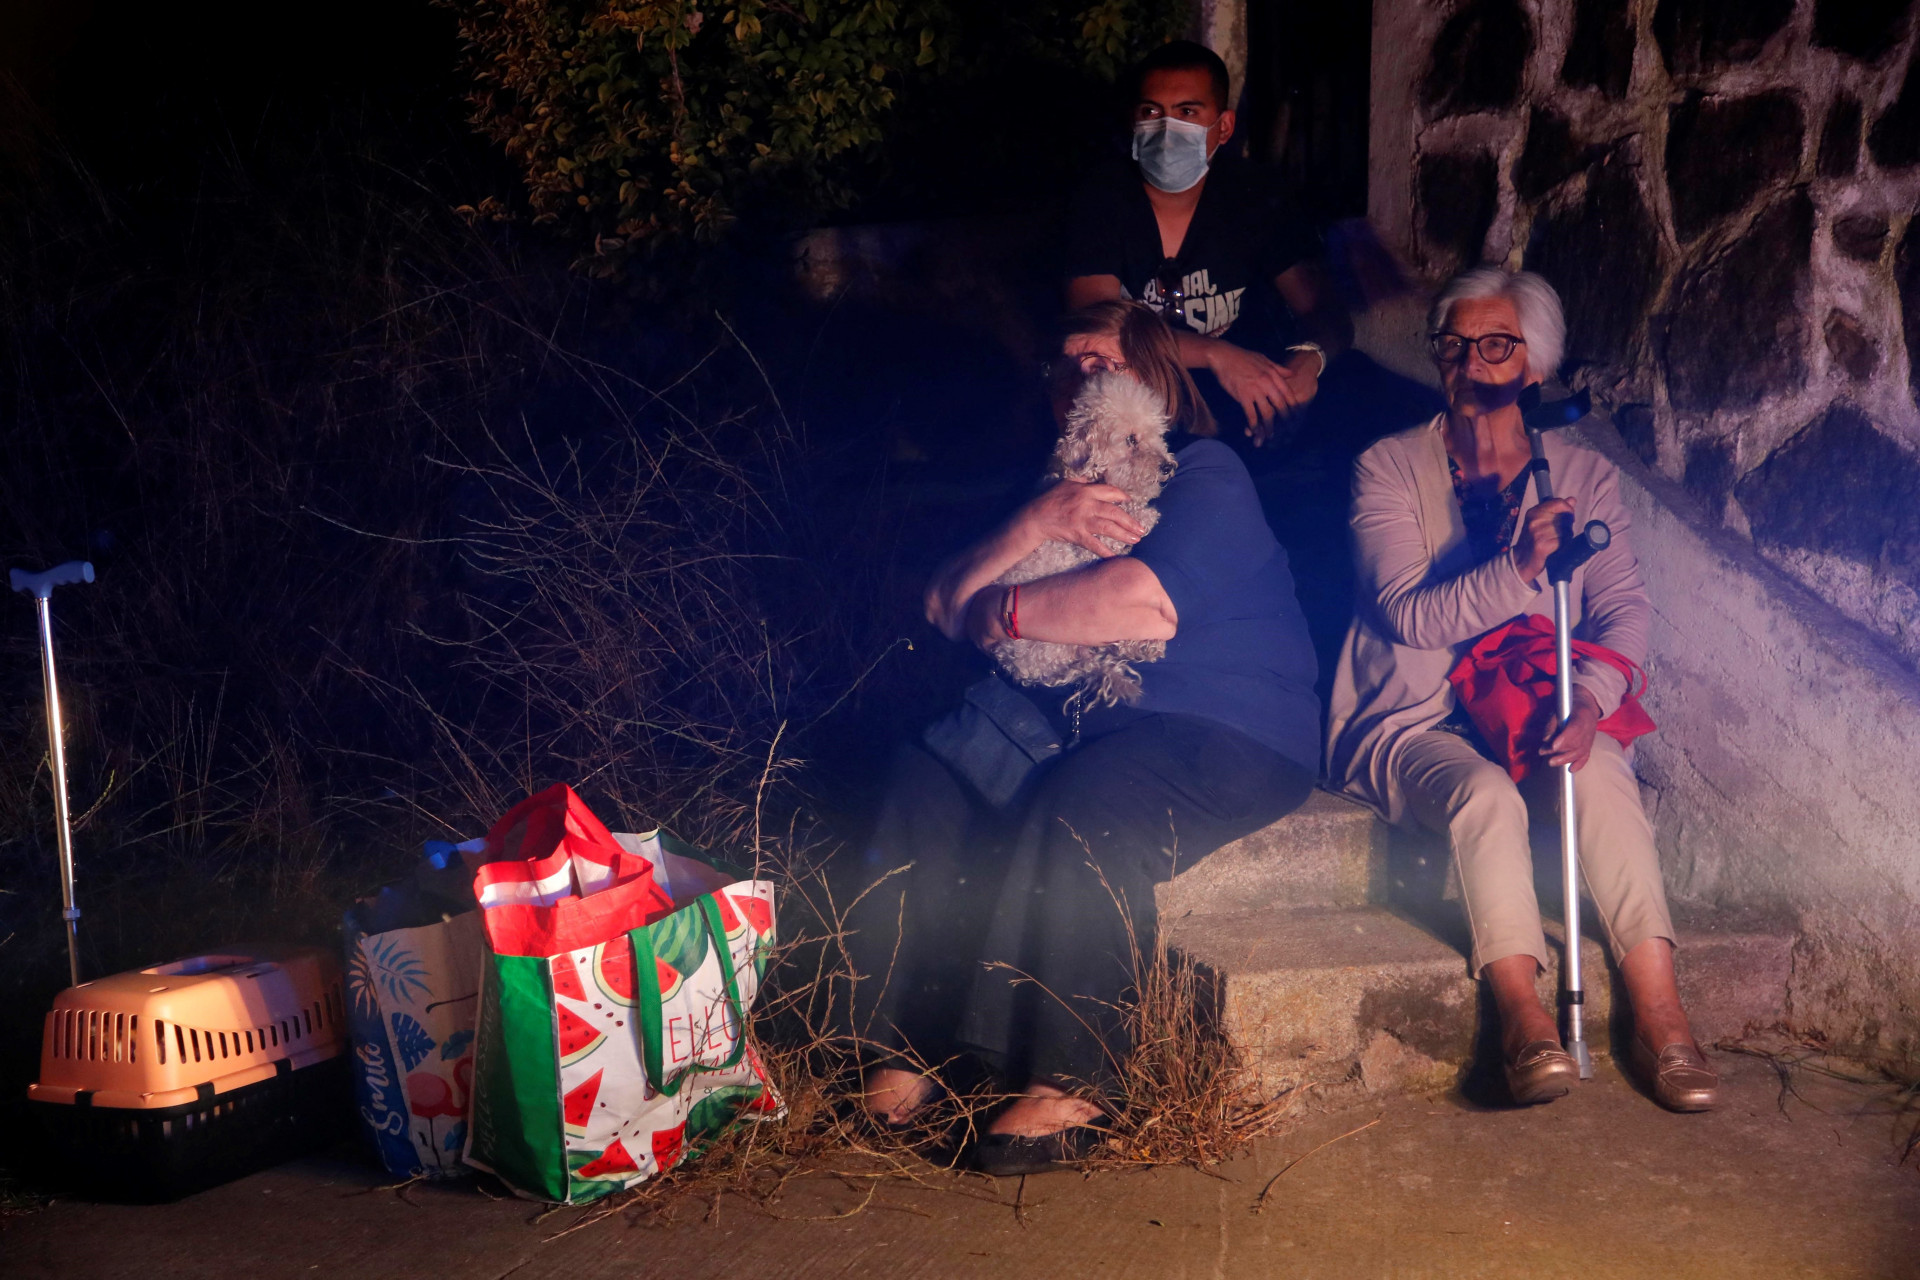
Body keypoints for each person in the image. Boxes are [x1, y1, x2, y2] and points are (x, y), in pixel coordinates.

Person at [844, 300, 1321, 1174]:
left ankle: (1075, 1080)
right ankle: (901, 1050)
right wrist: (1038, 524)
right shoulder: (1046, 492)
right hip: (1084, 719)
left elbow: (1142, 603)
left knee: (1085, 808)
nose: (1081, 378)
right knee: (929, 770)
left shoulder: (1204, 475)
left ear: (1152, 378)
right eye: (1067, 364)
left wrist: (1002, 610)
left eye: (1103, 362)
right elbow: (936, 604)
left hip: (1225, 726)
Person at [1325, 267, 1718, 1112]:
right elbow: (1407, 614)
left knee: (1604, 770)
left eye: (1497, 345)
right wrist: (1519, 568)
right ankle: (1522, 1017)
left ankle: (1661, 1014)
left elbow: (1624, 610)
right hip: (1413, 715)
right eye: (1455, 345)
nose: (1472, 362)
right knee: (1486, 797)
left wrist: (1590, 702)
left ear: (1532, 366)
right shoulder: (1387, 467)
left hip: (1530, 707)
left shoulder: (1576, 472)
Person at [1064, 41, 1353, 447]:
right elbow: (1094, 330)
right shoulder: (1104, 198)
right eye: (1151, 112)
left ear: (1225, 126)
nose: (1166, 130)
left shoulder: (1254, 195)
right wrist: (1219, 355)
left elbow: (1326, 312)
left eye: (1187, 112)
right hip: (1136, 399)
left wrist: (1308, 361)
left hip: (1241, 401)